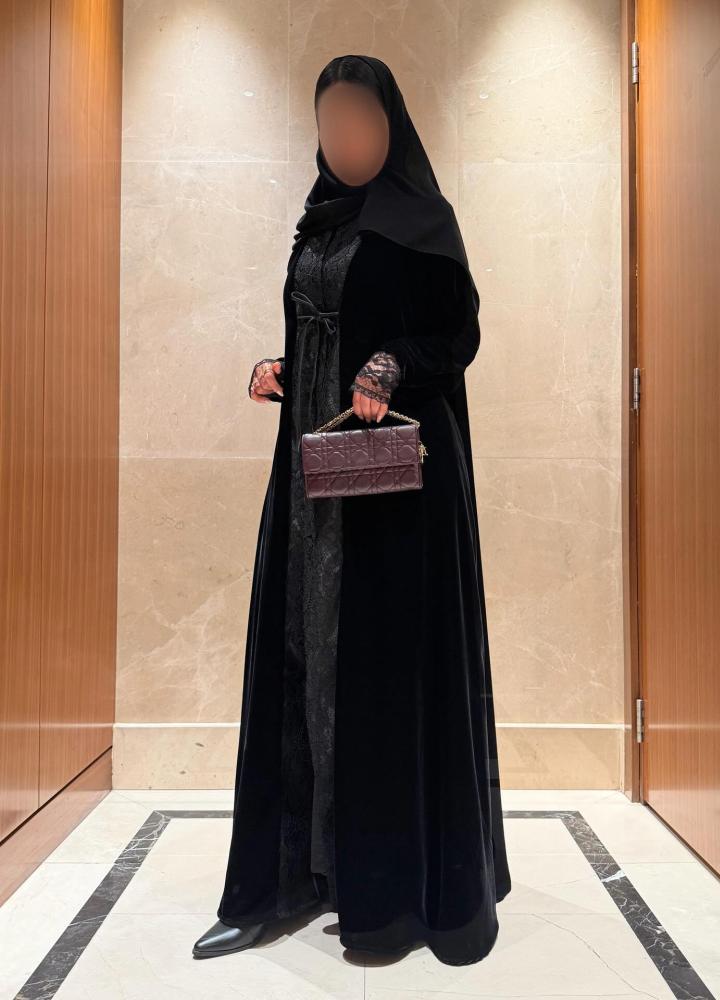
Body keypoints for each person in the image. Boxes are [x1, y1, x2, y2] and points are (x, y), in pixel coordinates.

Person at [192, 53, 511, 967]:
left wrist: (392, 363)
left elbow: (455, 334)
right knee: (303, 660)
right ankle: (285, 884)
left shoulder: (422, 221)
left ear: (392, 127)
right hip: (313, 486)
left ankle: (393, 897)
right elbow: (321, 328)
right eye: (329, 124)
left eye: (360, 122)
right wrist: (284, 366)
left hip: (396, 494)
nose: (344, 139)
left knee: (380, 672)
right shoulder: (320, 220)